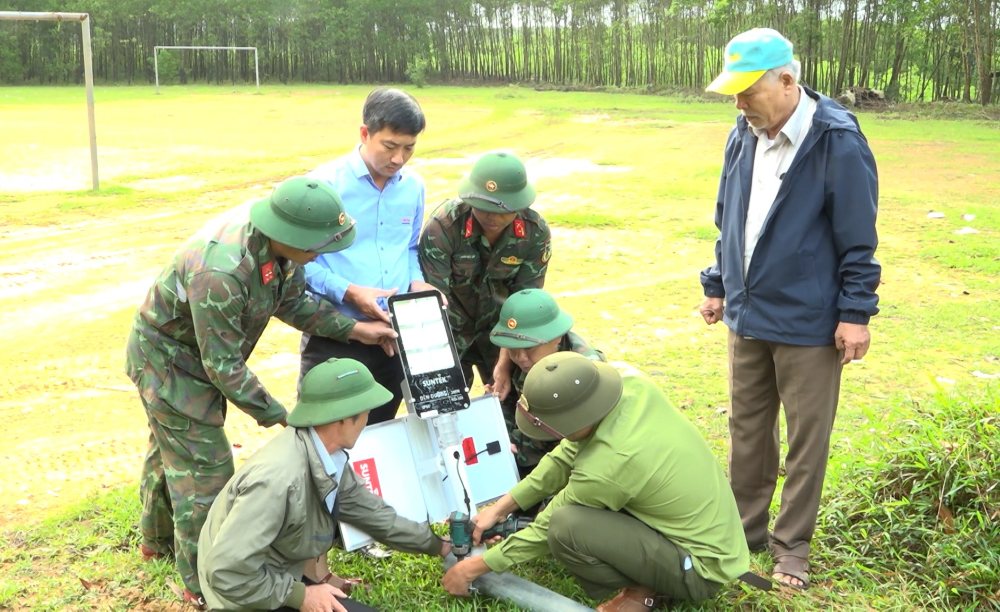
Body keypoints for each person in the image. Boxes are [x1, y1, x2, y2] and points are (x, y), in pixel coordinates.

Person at [125, 177, 397, 606]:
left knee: (171, 450)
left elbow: (292, 303)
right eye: (317, 247)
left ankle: (155, 541)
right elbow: (223, 366)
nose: (320, 254)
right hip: (169, 363)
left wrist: (357, 330)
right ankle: (204, 586)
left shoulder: (283, 249)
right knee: (205, 471)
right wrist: (283, 416)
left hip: (199, 355)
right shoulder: (224, 271)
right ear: (291, 235)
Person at [699, 28, 881, 590]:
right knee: (747, 430)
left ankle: (791, 548)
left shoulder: (835, 140)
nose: (739, 103)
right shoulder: (743, 133)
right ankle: (743, 532)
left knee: (806, 440)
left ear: (786, 80)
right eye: (733, 92)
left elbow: (857, 238)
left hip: (808, 320)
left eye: (748, 90)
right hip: (747, 313)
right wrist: (718, 282)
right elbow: (730, 213)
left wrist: (856, 311)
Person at [442, 352, 750, 611]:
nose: (554, 435)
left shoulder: (611, 463)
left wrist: (472, 568)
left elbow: (544, 530)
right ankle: (650, 577)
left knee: (566, 527)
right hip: (709, 538)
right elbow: (564, 455)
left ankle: (644, 590)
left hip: (700, 569)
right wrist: (502, 507)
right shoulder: (626, 382)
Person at [198, 358, 451, 611]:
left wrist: (440, 546)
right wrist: (302, 596)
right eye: (366, 411)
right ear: (342, 419)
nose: (367, 419)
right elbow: (226, 573)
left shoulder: (326, 456)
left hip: (276, 578)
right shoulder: (277, 479)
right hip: (243, 599)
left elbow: (375, 516)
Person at [301, 87, 438, 425]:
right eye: (390, 146)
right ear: (365, 133)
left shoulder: (413, 187)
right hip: (337, 332)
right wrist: (349, 292)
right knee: (327, 440)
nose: (398, 159)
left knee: (381, 435)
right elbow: (301, 264)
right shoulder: (323, 187)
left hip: (393, 336)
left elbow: (407, 248)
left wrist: (416, 281)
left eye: (409, 148)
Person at [419, 151, 552, 389]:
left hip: (503, 333)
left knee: (514, 403)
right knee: (441, 406)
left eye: (501, 210)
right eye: (481, 207)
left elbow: (524, 302)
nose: (491, 216)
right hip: (447, 332)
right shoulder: (444, 227)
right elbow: (433, 301)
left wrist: (505, 359)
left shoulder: (534, 232)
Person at [487, 288, 605, 478]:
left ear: (557, 337)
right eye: (513, 349)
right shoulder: (525, 358)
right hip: (535, 457)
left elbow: (573, 444)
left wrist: (512, 447)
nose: (521, 357)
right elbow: (516, 407)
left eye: (530, 348)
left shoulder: (583, 372)